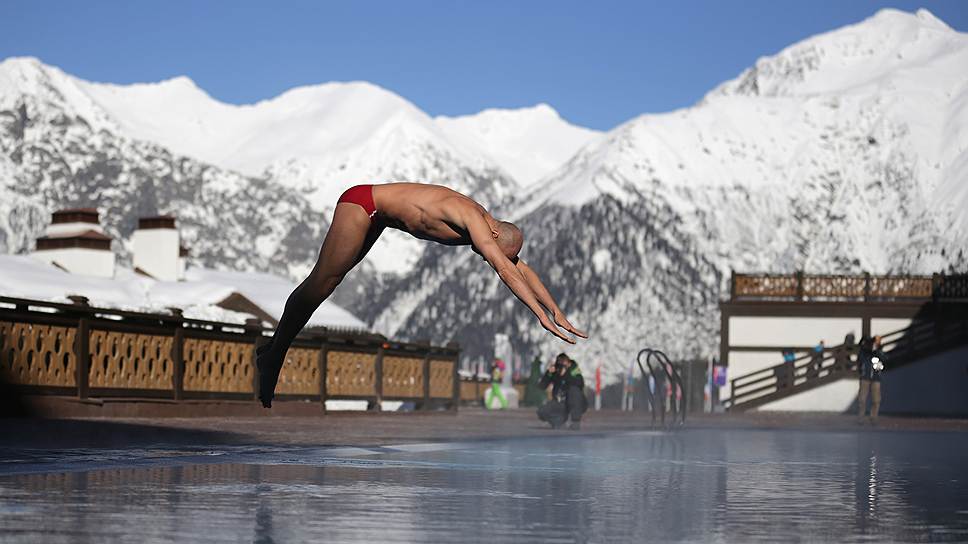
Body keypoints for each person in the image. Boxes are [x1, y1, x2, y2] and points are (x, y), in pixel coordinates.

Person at [256, 182, 588, 407]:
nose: (488, 257)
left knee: (329, 282)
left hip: (380, 217)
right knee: (323, 282)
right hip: (363, 204)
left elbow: (519, 268)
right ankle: (275, 352)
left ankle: (273, 351)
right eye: (492, 252)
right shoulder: (474, 220)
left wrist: (556, 311)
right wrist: (539, 315)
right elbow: (505, 270)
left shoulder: (490, 229)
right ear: (494, 233)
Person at [536, 353, 588, 430]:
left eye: (564, 364)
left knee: (574, 391)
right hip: (560, 403)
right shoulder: (555, 372)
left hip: (576, 403)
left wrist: (565, 375)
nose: (561, 368)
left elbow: (580, 383)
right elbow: (542, 386)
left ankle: (575, 422)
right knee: (542, 411)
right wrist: (548, 374)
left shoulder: (573, 370)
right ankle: (558, 422)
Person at [857, 335, 887, 423]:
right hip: (865, 376)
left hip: (876, 377)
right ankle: (861, 417)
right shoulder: (864, 351)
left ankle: (873, 417)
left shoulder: (879, 351)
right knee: (862, 399)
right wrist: (866, 347)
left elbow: (884, 359)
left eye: (878, 341)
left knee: (876, 400)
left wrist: (876, 350)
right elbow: (860, 359)